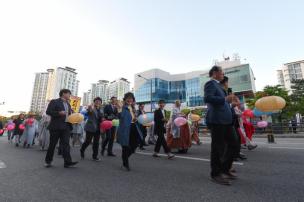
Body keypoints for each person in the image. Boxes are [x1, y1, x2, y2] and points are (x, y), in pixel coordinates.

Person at [204, 66, 237, 186]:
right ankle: (216, 174)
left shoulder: (219, 85)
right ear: (215, 73)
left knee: (234, 144)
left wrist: (229, 102)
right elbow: (207, 98)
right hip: (217, 120)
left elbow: (223, 101)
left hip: (226, 121)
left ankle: (225, 169)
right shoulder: (210, 84)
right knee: (218, 147)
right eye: (222, 72)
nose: (223, 74)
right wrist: (224, 99)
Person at [44, 89, 78, 168]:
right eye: (69, 94)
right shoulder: (54, 101)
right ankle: (48, 161)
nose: (70, 96)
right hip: (56, 126)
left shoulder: (69, 104)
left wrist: (73, 115)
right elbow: (48, 112)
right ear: (63, 94)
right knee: (52, 145)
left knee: (66, 144)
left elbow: (68, 115)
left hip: (66, 127)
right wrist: (58, 113)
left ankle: (67, 162)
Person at [116, 92, 143, 171]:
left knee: (134, 145)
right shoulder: (122, 107)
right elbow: (120, 116)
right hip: (125, 129)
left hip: (133, 127)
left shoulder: (132, 108)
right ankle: (125, 164)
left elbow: (133, 118)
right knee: (125, 147)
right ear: (125, 99)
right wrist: (119, 108)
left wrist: (135, 118)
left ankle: (124, 160)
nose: (129, 99)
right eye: (128, 98)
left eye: (131, 98)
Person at [80, 97, 104, 161]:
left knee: (96, 143)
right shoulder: (91, 107)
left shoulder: (101, 109)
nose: (98, 102)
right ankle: (82, 149)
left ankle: (95, 156)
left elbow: (102, 117)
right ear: (94, 102)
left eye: (99, 101)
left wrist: (103, 119)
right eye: (96, 101)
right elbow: (89, 112)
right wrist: (89, 109)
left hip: (98, 128)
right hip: (90, 127)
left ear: (101, 102)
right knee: (88, 141)